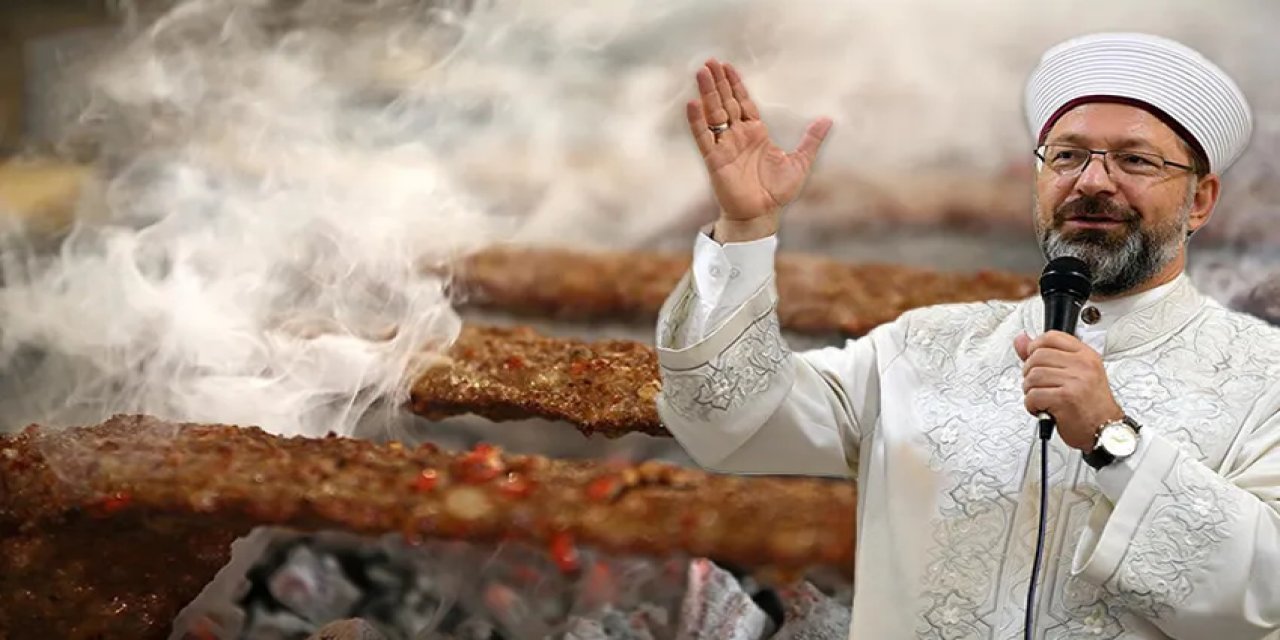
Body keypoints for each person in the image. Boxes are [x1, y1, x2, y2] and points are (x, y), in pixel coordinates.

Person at [655, 32, 1279, 639]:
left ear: (1200, 201)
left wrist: (1113, 442)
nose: (1092, 181)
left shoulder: (1264, 378)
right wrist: (746, 227)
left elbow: (1267, 594)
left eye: (1135, 160)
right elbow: (725, 417)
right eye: (1066, 155)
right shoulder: (921, 347)